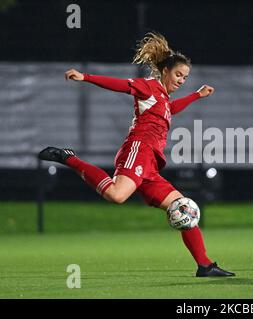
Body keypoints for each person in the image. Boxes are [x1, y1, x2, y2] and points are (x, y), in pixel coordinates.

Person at [38, 32, 235, 277]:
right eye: (178, 74)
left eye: (185, 77)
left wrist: (196, 95)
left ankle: (205, 265)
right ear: (165, 71)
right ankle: (69, 158)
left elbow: (170, 109)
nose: (182, 80)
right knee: (117, 195)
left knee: (183, 207)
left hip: (150, 164)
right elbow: (120, 85)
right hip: (138, 150)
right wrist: (85, 77)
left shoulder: (163, 98)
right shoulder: (149, 87)